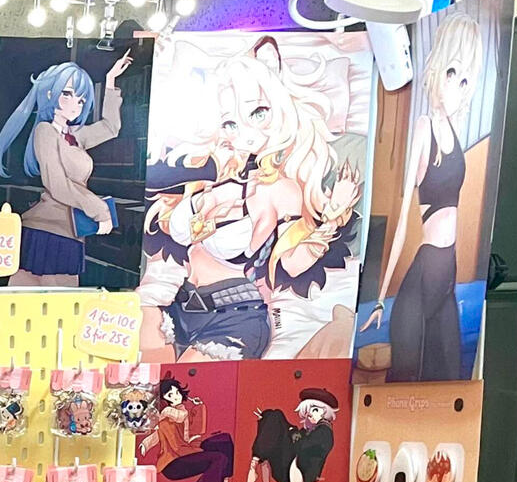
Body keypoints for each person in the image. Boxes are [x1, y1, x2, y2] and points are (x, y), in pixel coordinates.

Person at [143, 35, 361, 360]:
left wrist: (329, 222)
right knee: (140, 378)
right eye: (230, 122)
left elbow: (291, 265)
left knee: (183, 387)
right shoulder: (216, 172)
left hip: (235, 317)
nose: (244, 132)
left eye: (258, 113)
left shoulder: (282, 189)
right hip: (181, 304)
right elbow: (160, 200)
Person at [364, 11, 484, 381]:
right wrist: (381, 298)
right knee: (405, 381)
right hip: (421, 279)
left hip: (447, 275)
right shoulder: (423, 127)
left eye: (465, 80)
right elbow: (403, 220)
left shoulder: (455, 131)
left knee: (450, 377)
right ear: (436, 67)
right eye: (452, 72)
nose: (457, 88)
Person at [0, 53, 131, 287]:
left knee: (50, 298)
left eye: (81, 100)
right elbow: (57, 184)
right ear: (50, 94)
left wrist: (110, 81)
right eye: (67, 94)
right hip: (49, 229)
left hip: (69, 229)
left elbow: (111, 127)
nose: (75, 104)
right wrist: (100, 211)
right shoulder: (45, 131)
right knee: (37, 297)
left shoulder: (75, 136)